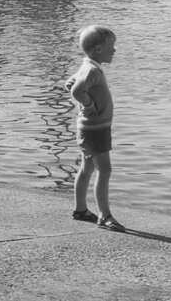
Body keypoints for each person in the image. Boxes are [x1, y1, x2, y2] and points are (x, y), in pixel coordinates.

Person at [65, 25, 125, 233]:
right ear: (99, 49)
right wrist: (89, 106)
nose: (114, 50)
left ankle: (81, 209)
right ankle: (105, 214)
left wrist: (85, 103)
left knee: (87, 168)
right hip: (95, 129)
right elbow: (76, 89)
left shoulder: (88, 65)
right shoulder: (92, 70)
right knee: (105, 170)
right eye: (112, 46)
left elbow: (69, 83)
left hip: (89, 128)